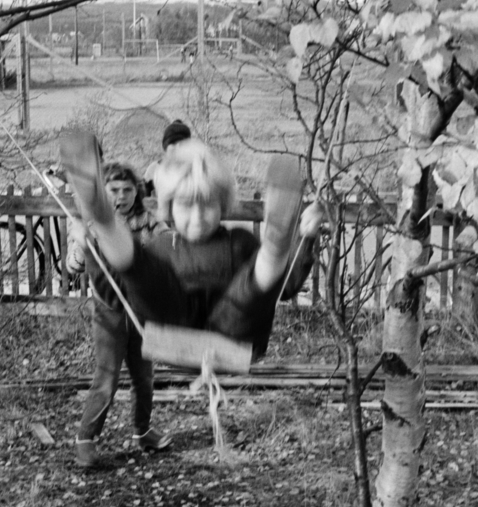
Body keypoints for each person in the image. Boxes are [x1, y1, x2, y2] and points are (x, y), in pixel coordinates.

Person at [61, 133, 324, 362]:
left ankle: (275, 246)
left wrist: (305, 239)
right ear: (169, 208)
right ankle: (105, 223)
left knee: (249, 292)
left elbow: (285, 288)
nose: (197, 217)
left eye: (207, 205)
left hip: (236, 339)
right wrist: (92, 252)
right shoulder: (162, 246)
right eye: (187, 205)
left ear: (222, 205)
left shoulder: (239, 242)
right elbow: (116, 295)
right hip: (175, 333)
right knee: (146, 275)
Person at [66, 159, 171, 470]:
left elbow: (168, 248)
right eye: (114, 190)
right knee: (107, 379)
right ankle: (86, 439)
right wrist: (80, 244)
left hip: (142, 311)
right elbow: (72, 266)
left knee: (144, 378)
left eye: (127, 190)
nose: (121, 196)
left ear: (135, 192)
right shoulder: (95, 225)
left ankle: (143, 431)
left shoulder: (149, 221)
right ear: (103, 192)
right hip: (108, 313)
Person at [142, 118, 191, 200]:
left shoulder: (196, 169)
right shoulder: (154, 169)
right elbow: (144, 198)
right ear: (166, 146)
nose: (178, 147)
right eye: (173, 143)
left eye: (183, 144)